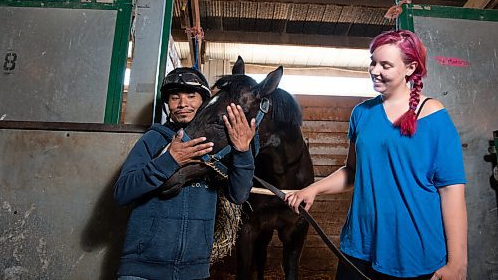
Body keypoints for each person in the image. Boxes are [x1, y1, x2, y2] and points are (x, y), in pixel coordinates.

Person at [285, 30, 467, 280]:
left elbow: (451, 190)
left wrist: (458, 263)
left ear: (410, 68)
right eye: (372, 61)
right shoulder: (362, 113)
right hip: (360, 246)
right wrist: (312, 189)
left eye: (386, 65)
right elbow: (352, 171)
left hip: (413, 252)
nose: (374, 70)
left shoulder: (434, 116)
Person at [114, 67, 256, 280]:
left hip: (193, 272)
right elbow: (122, 192)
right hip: (142, 270)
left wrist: (243, 152)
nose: (183, 104)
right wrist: (170, 160)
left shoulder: (215, 144)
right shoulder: (154, 139)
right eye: (174, 97)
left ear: (204, 103)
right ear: (167, 104)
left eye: (191, 96)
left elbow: (239, 195)